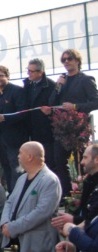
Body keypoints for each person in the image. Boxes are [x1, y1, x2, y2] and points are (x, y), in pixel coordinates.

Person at [48, 49, 98, 199]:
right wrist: (57, 87)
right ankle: (66, 195)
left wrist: (75, 107)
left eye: (69, 58)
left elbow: (95, 102)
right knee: (58, 161)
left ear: (77, 60)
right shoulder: (62, 81)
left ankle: (86, 194)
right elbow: (51, 103)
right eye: (63, 60)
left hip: (79, 128)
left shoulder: (85, 79)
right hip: (61, 128)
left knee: (82, 162)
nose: (66, 62)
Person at [0, 141, 62, 252]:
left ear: (30, 157)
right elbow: (9, 202)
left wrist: (13, 227)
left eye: (20, 153)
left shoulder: (50, 180)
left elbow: (41, 212)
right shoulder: (21, 179)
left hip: (37, 243)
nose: (17, 156)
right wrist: (5, 223)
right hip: (16, 241)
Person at [0, 65, 28, 193]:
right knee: (5, 167)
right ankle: (11, 194)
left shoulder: (17, 91)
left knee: (16, 167)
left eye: (0, 76)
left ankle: (17, 194)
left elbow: (23, 113)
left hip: (15, 138)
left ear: (7, 76)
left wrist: (4, 118)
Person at [51, 144, 98, 229]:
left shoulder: (93, 183)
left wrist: (74, 220)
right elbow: (84, 210)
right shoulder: (89, 181)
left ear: (96, 159)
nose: (82, 162)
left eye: (85, 157)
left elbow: (93, 217)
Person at [23, 58, 57, 170]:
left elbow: (57, 106)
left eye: (31, 71)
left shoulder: (51, 86)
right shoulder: (27, 85)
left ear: (40, 72)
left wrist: (50, 111)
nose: (28, 73)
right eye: (27, 70)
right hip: (31, 129)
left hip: (46, 130)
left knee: (48, 162)